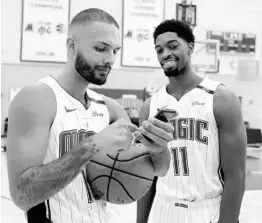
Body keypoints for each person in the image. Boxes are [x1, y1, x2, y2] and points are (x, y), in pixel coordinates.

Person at [7, 8, 174, 223]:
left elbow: (159, 169)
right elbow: (22, 195)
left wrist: (159, 147)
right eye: (101, 48)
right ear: (71, 46)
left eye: (115, 51)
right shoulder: (36, 98)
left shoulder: (110, 108)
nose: (110, 59)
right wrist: (91, 145)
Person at [137, 19, 247, 223]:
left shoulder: (221, 99)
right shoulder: (150, 107)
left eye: (172, 46)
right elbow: (147, 176)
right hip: (163, 211)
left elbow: (236, 176)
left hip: (208, 210)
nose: (165, 54)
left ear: (190, 47)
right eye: (159, 50)